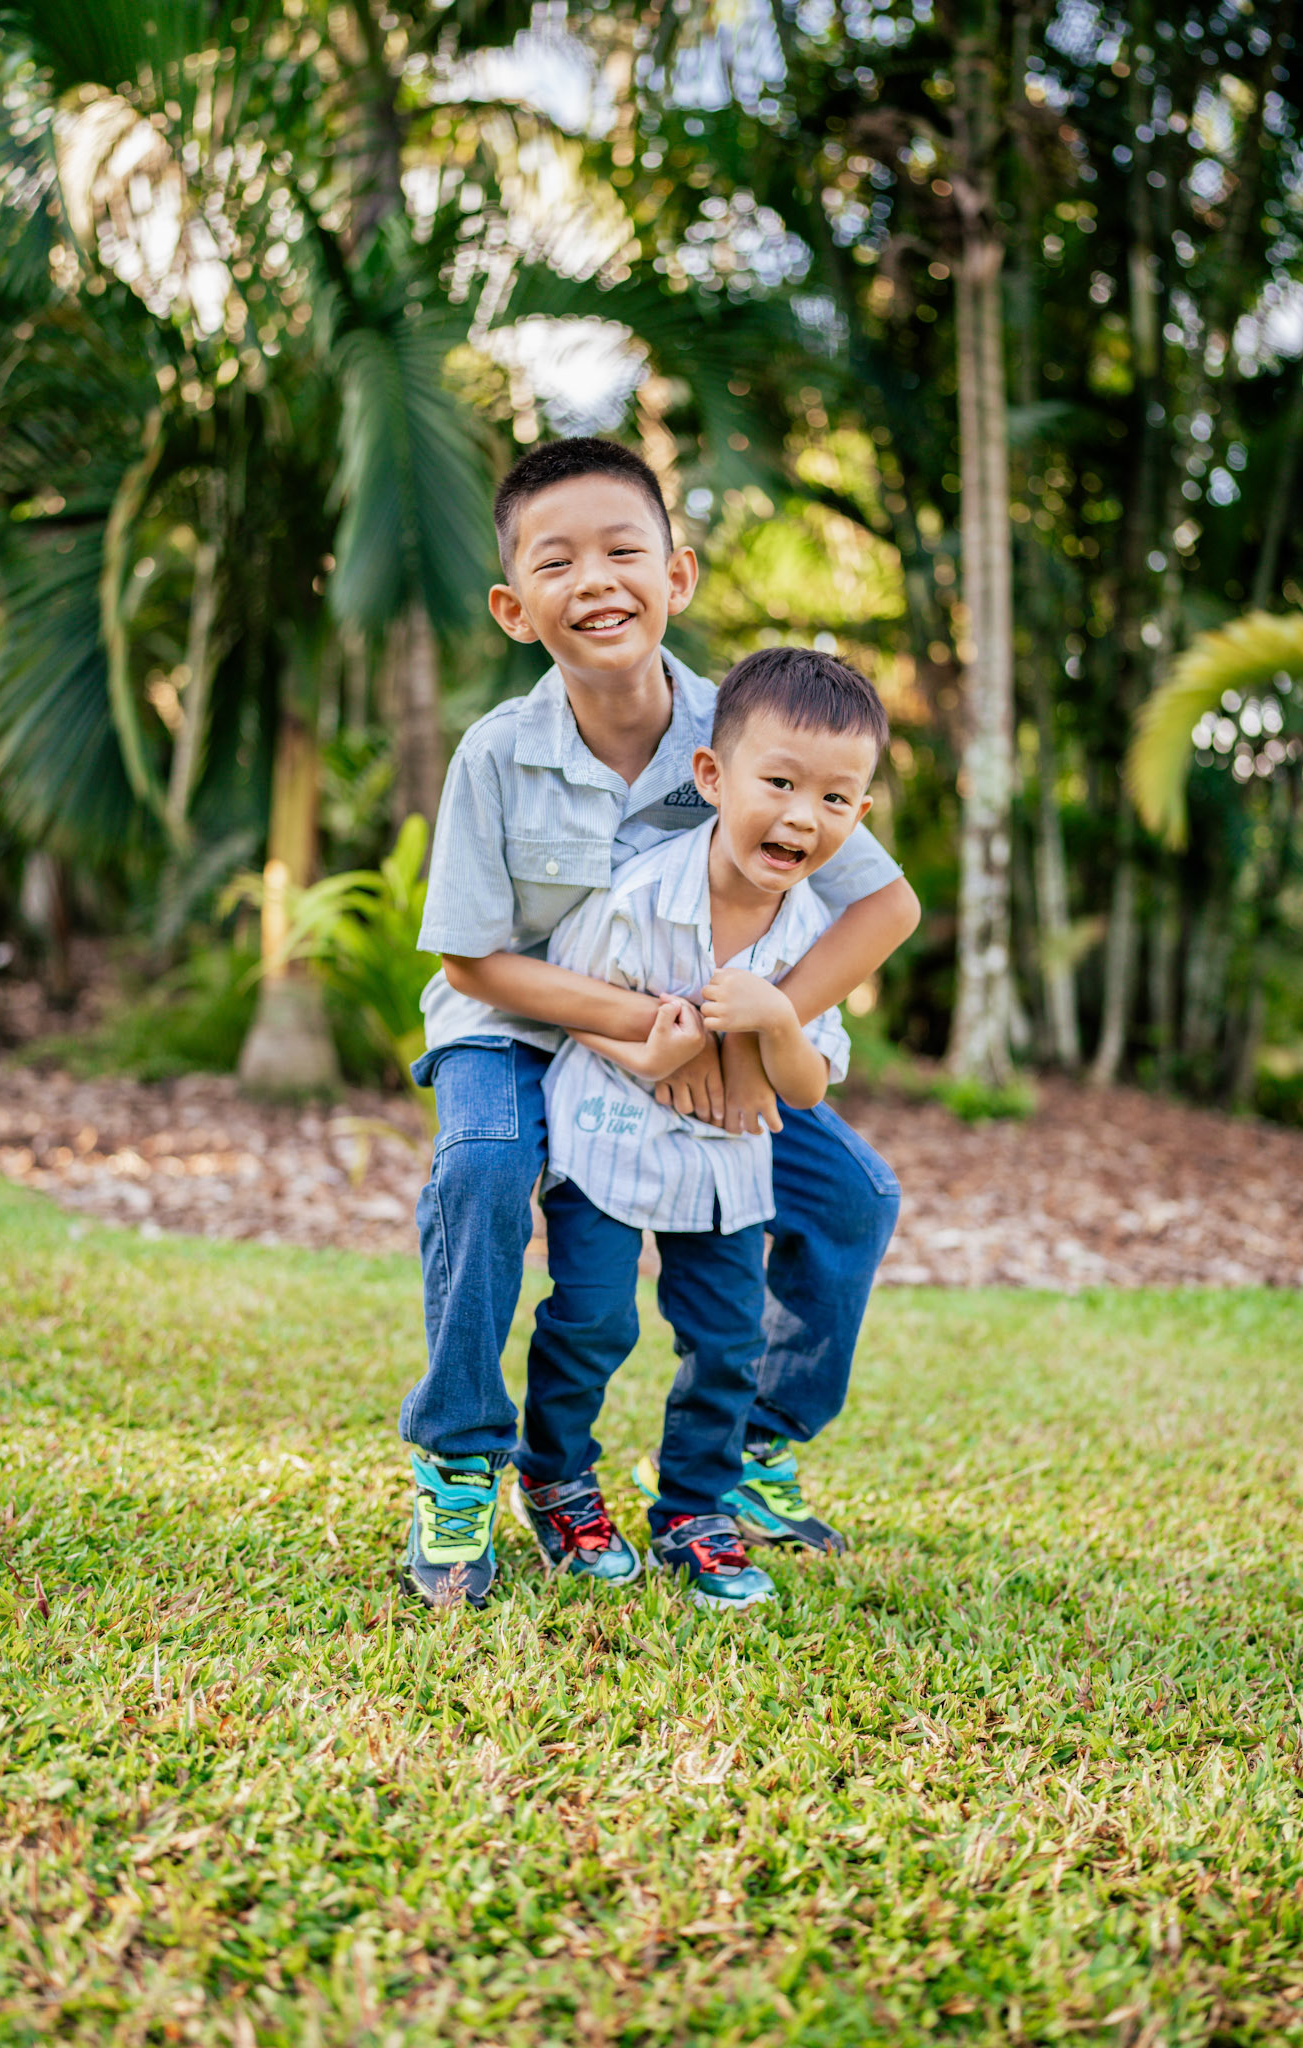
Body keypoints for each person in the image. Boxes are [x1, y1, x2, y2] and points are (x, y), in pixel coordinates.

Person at [399, 436, 920, 1609]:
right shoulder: (497, 753)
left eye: (623, 551)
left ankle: (744, 1451)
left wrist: (755, 1034)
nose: (595, 580)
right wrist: (651, 1028)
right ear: (514, 607)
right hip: (520, 1022)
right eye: (556, 561)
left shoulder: (757, 730)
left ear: (677, 575)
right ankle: (463, 1460)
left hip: (706, 1040)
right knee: (482, 1168)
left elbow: (886, 905)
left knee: (854, 1195)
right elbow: (472, 957)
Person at [511, 646, 888, 1609]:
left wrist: (776, 1020)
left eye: (834, 799)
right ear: (711, 777)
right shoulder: (639, 896)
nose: (801, 816)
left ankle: (694, 1509)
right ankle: (554, 1478)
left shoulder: (813, 936)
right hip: (605, 1136)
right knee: (592, 1320)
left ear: (858, 817)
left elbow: (805, 1088)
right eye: (779, 783)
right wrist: (651, 1051)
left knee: (726, 1341)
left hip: (725, 1168)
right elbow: (574, 1002)